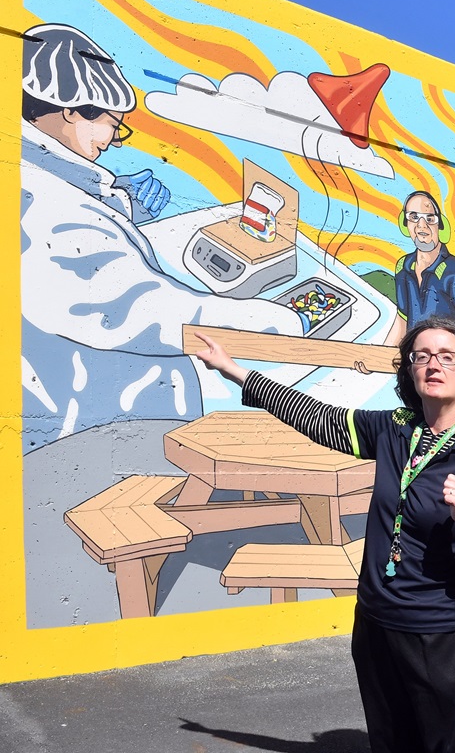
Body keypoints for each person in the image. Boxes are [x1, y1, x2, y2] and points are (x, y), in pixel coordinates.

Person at [194, 317, 455, 753]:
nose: (433, 365)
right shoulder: (396, 429)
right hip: (378, 624)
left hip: (447, 634)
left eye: (448, 356)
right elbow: (318, 418)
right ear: (409, 371)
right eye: (421, 356)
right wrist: (237, 373)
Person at [19, 22, 301, 450]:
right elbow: (146, 311)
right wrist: (283, 320)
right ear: (73, 110)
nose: (113, 141)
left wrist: (122, 206)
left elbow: (78, 240)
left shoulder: (32, 178)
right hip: (92, 438)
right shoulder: (49, 208)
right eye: (114, 124)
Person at [383, 190, 455, 345]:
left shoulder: (451, 268)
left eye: (429, 218)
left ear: (440, 225)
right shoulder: (403, 267)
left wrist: (445, 348)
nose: (421, 225)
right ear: (405, 224)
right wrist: (378, 356)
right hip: (418, 359)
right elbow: (402, 320)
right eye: (413, 217)